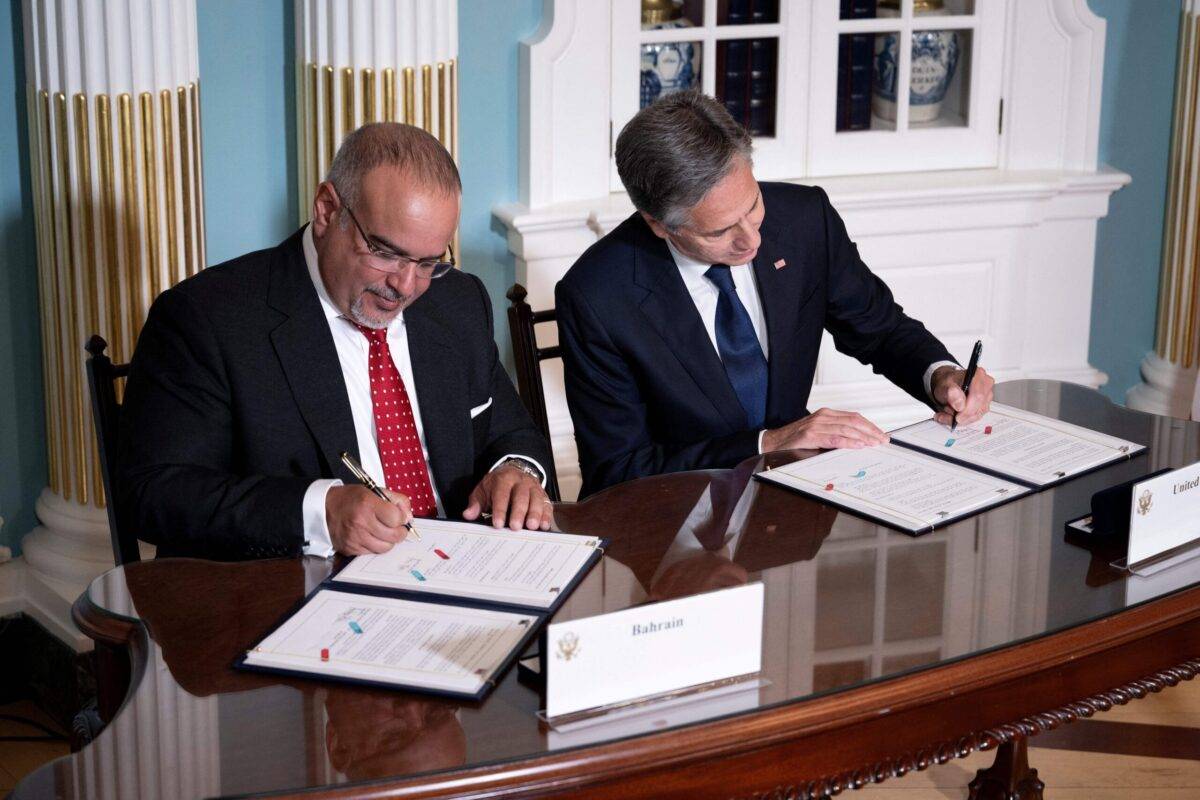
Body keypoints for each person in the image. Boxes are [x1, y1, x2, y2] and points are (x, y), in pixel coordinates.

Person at [118, 123, 553, 561]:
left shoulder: (456, 301)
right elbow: (155, 491)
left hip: (461, 572)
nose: (405, 286)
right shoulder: (209, 318)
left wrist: (514, 472)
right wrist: (320, 513)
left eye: (428, 262)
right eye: (385, 252)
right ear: (328, 210)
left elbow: (512, 432)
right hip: (300, 595)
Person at [556, 91, 994, 497]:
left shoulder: (805, 219)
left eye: (753, 206)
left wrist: (940, 376)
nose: (751, 240)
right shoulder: (597, 296)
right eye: (720, 230)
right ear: (657, 223)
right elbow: (617, 471)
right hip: (677, 524)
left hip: (800, 502)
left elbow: (880, 329)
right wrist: (768, 444)